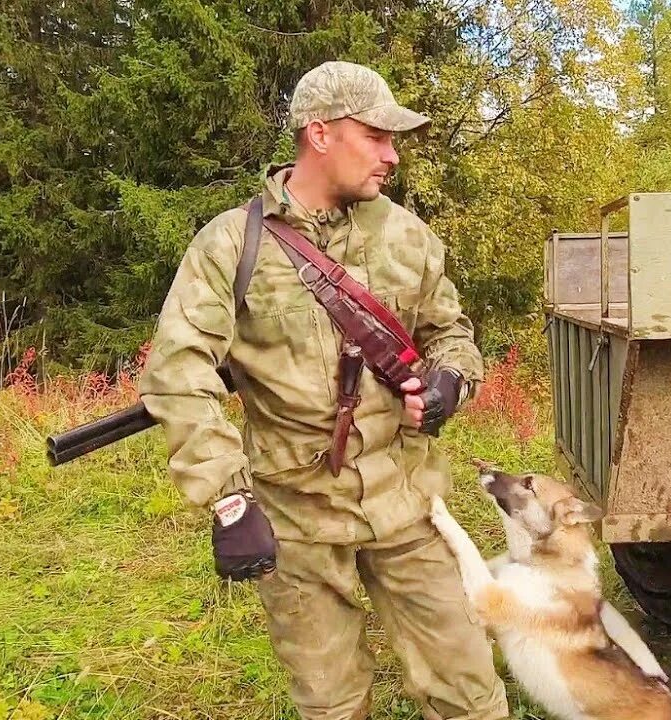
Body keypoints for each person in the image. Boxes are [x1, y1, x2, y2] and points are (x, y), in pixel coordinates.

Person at [138, 60, 508, 720]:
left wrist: (452, 380)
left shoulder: (407, 237)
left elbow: (452, 332)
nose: (392, 155)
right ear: (320, 134)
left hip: (404, 503)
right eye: (376, 136)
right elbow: (179, 373)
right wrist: (229, 500)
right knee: (332, 705)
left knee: (471, 695)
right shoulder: (231, 244)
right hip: (296, 520)